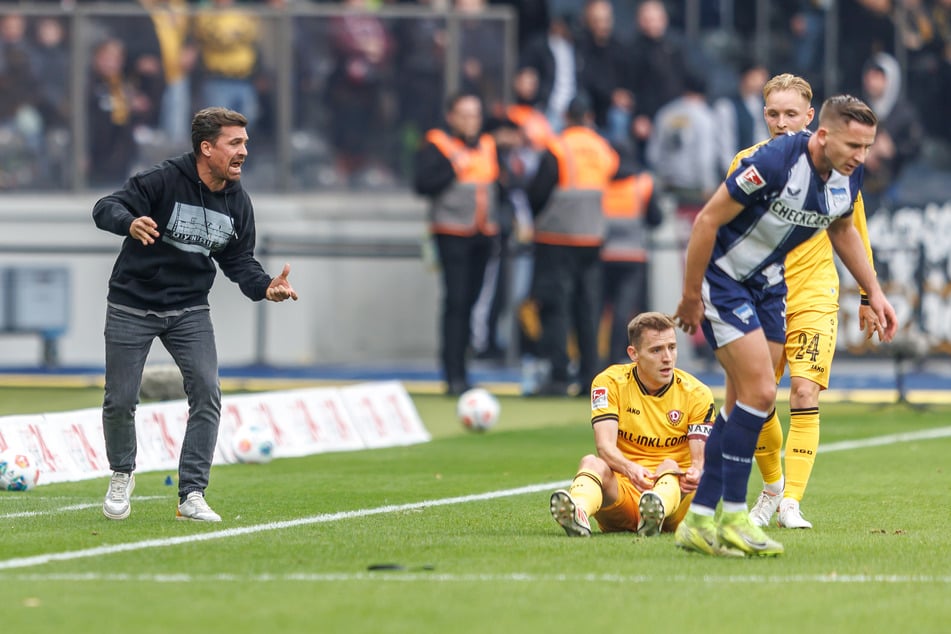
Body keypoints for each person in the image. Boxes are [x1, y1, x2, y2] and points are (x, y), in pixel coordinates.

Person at [673, 95, 898, 557]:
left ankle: (699, 518)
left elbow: (842, 229)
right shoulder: (773, 161)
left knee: (748, 402)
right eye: (853, 145)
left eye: (867, 146)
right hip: (727, 279)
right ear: (822, 135)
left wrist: (873, 291)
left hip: (771, 285)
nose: (861, 156)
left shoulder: (848, 172)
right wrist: (692, 294)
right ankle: (734, 515)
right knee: (756, 394)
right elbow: (707, 219)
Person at [93, 107, 299, 522]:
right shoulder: (163, 179)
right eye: (235, 143)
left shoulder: (238, 202)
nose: (244, 151)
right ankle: (122, 473)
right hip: (132, 303)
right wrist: (130, 223)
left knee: (207, 392)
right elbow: (105, 207)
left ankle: (192, 493)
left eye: (245, 142)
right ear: (207, 148)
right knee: (120, 400)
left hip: (189, 309)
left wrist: (265, 287)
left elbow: (240, 262)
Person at [742, 74, 879, 530]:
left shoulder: (836, 166)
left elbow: (852, 231)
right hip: (763, 296)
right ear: (764, 116)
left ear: (809, 116)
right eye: (773, 114)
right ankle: (772, 487)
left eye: (790, 114)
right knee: (758, 397)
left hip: (814, 293)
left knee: (804, 392)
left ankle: (792, 502)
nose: (782, 123)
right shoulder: (747, 164)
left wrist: (867, 292)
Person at [549, 311, 715, 537]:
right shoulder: (608, 382)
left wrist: (695, 473)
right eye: (656, 350)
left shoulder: (697, 393)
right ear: (633, 353)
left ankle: (655, 512)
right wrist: (631, 469)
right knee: (591, 462)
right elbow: (604, 446)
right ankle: (578, 513)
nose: (667, 357)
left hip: (675, 501)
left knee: (669, 466)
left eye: (671, 347)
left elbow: (699, 461)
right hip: (624, 492)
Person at [525, 93, 620, 396]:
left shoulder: (557, 147)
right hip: (591, 237)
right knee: (588, 307)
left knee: (555, 306)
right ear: (589, 117)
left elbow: (536, 193)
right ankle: (590, 377)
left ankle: (558, 375)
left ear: (566, 118)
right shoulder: (604, 149)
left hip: (556, 237)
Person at [413, 92, 503, 395]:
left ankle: (464, 369)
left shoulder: (488, 146)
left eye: (475, 114)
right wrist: (454, 168)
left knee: (473, 301)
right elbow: (422, 184)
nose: (470, 121)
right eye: (464, 114)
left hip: (483, 234)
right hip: (451, 233)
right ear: (451, 117)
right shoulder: (439, 145)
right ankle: (453, 374)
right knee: (456, 302)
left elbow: (499, 185)